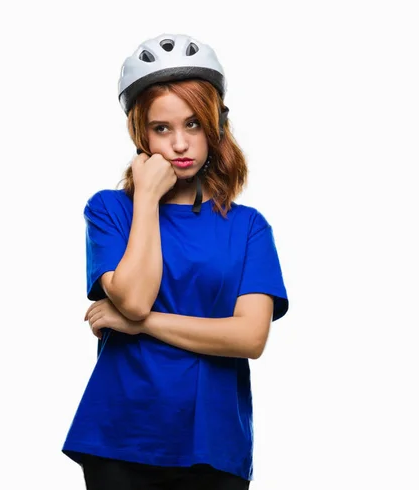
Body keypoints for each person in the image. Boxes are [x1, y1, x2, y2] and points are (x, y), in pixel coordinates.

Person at [62, 33, 289, 490]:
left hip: (213, 439)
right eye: (161, 129)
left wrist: (142, 325)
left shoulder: (247, 226)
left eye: (193, 125)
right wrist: (146, 196)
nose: (179, 144)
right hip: (119, 436)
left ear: (215, 126)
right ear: (140, 134)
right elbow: (133, 296)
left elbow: (249, 336)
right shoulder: (109, 210)